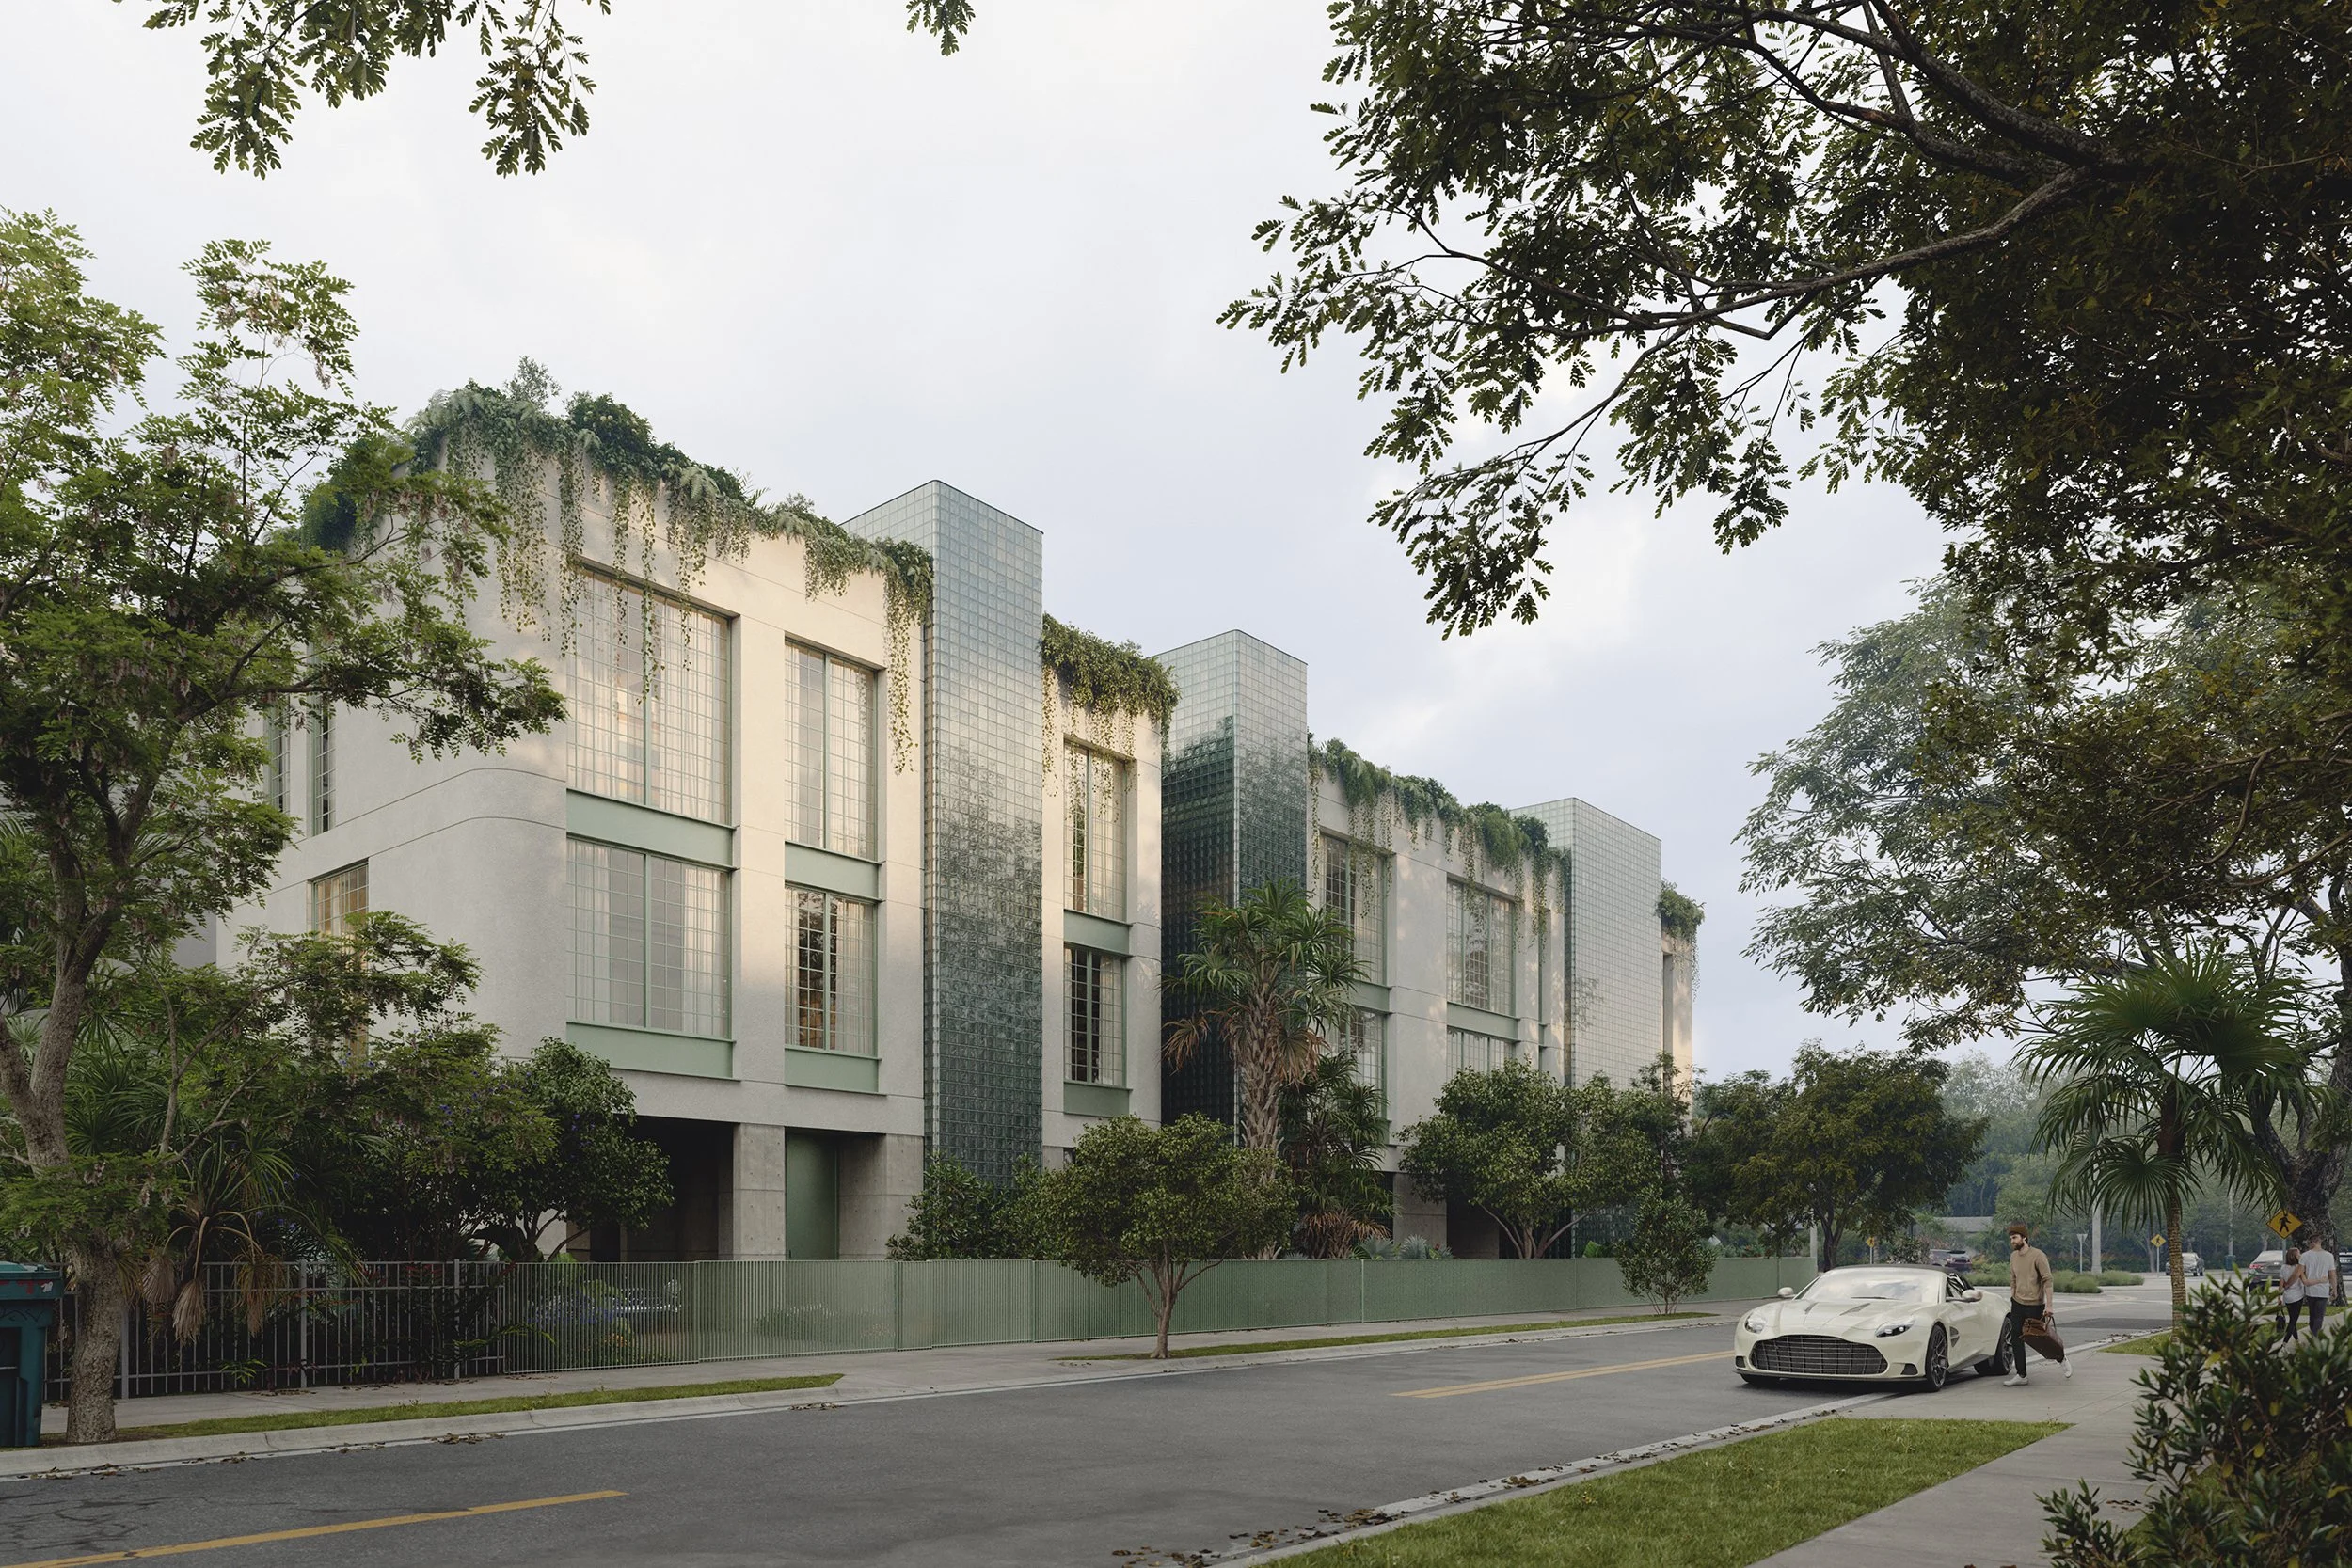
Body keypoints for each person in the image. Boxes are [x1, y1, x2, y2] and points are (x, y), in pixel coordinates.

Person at [2001, 1222, 2071, 1384]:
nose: (2012, 1241)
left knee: (2041, 1339)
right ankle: (2022, 1375)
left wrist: (2049, 1305)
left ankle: (2061, 1358)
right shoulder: (2013, 1257)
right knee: (2016, 1338)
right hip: (2018, 1303)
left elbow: (2047, 1280)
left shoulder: (2038, 1256)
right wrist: (2013, 1294)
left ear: (2024, 1238)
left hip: (2035, 1304)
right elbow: (2013, 1278)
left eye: (2015, 1238)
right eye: (2011, 1239)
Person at [2298, 1235, 2333, 1337]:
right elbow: (2332, 1274)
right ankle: (2315, 1335)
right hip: (2323, 1290)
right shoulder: (2329, 1256)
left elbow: (2300, 1271)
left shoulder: (2305, 1256)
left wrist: (2305, 1280)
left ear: (2313, 1242)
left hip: (2310, 1290)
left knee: (2312, 1314)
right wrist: (2334, 1289)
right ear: (2320, 1242)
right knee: (2319, 1315)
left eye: (2309, 1243)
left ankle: (2313, 1333)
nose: (2309, 1245)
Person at [2280, 1245, 2306, 1340]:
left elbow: (2281, 1283)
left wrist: (2279, 1297)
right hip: (2297, 1296)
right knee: (2293, 1321)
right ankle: (2285, 1343)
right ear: (2294, 1256)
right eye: (2299, 1254)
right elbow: (2304, 1281)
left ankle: (2297, 1340)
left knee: (2292, 1319)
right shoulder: (2298, 1268)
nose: (2300, 1255)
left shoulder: (2283, 1267)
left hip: (2287, 1297)